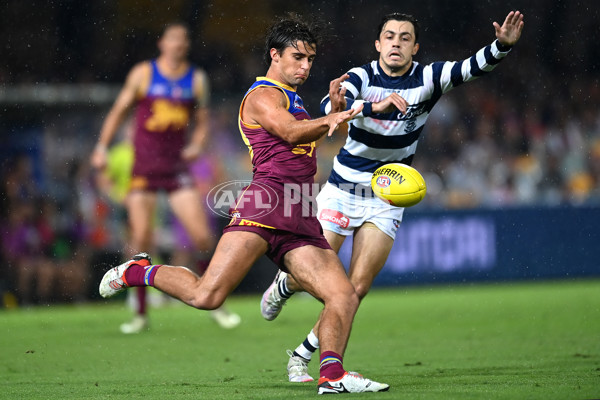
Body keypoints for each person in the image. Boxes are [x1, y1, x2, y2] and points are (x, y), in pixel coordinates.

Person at [99, 15, 390, 395]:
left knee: (344, 295)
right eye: (297, 58)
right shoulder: (263, 95)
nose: (305, 67)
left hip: (299, 209)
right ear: (275, 54)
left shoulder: (295, 99)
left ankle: (332, 376)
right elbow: (288, 132)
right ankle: (139, 272)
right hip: (265, 204)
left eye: (310, 60)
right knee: (208, 296)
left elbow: (312, 137)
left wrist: (336, 111)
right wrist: (337, 114)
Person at [260, 11, 525, 382]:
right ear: (378, 45)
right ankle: (286, 283)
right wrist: (364, 106)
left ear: (414, 48)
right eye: (389, 36)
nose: (396, 43)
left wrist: (502, 46)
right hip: (343, 190)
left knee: (354, 290)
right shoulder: (361, 76)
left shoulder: (428, 79)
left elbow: (471, 68)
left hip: (386, 197)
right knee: (316, 275)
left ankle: (301, 357)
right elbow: (329, 109)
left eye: (404, 37)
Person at [91, 22, 239, 333]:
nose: (178, 44)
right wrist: (102, 147)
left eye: (183, 40)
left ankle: (215, 301)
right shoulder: (144, 74)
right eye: (173, 39)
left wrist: (198, 144)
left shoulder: (196, 79)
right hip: (143, 169)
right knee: (141, 240)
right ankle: (141, 314)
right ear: (162, 43)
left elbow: (201, 121)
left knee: (201, 238)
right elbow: (119, 110)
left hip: (175, 169)